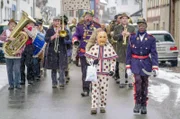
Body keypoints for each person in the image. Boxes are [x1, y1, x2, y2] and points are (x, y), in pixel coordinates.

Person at [126, 18, 159, 114]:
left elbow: (154, 53)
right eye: (140, 25)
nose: (141, 27)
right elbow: (128, 52)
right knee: (138, 83)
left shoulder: (151, 38)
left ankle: (144, 104)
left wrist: (155, 67)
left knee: (145, 84)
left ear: (146, 26)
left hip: (146, 63)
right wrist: (128, 66)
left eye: (143, 25)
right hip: (135, 63)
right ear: (137, 26)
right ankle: (137, 103)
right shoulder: (132, 38)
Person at [85, 29, 118, 114]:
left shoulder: (109, 48)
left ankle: (102, 105)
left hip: (105, 73)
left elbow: (113, 60)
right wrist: (92, 61)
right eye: (100, 37)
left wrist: (112, 70)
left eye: (104, 37)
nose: (102, 39)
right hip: (95, 73)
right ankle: (94, 106)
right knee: (95, 90)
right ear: (96, 38)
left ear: (106, 38)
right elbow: (88, 58)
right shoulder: (94, 48)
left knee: (104, 91)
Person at [72, 11, 101, 97]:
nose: (88, 18)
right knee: (84, 72)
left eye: (89, 16)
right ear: (84, 17)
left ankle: (94, 88)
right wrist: (75, 40)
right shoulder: (80, 26)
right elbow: (76, 35)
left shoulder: (97, 26)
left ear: (92, 18)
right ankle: (85, 89)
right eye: (86, 16)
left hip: (94, 53)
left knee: (94, 71)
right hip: (83, 53)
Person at [44, 15, 71, 88]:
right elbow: (46, 39)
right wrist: (53, 36)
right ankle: (54, 83)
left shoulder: (64, 29)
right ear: (53, 22)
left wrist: (62, 33)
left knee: (61, 67)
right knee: (54, 68)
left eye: (58, 21)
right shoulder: (49, 30)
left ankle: (62, 82)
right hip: (52, 50)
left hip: (61, 50)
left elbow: (68, 37)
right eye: (56, 21)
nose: (57, 22)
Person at [0, 19, 24, 90]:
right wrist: (8, 38)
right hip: (8, 54)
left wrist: (20, 50)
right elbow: (1, 37)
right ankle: (11, 84)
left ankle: (17, 84)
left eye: (14, 25)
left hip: (17, 55)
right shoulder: (6, 31)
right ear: (8, 26)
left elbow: (23, 43)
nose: (12, 26)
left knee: (17, 70)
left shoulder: (19, 33)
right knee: (9, 70)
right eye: (11, 25)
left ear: (16, 26)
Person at [113, 13, 135, 88]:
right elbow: (114, 38)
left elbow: (136, 38)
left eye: (126, 18)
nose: (124, 20)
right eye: (123, 18)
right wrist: (121, 35)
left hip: (130, 49)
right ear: (120, 20)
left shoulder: (132, 28)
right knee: (121, 67)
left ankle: (130, 82)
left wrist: (130, 35)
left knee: (130, 67)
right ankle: (122, 82)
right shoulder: (117, 28)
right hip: (120, 49)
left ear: (128, 20)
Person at [20, 21, 36, 85]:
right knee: (21, 64)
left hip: (29, 47)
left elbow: (32, 35)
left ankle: (30, 79)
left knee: (29, 63)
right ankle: (22, 79)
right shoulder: (21, 29)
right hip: (21, 47)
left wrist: (26, 30)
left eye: (27, 24)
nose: (26, 25)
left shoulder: (32, 29)